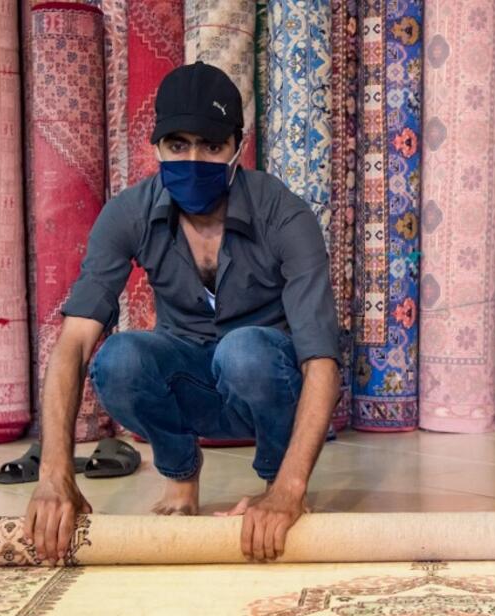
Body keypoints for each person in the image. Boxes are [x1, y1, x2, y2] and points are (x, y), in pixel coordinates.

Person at [23, 62, 339, 564]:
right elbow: (74, 344)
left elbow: (321, 361)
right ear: (157, 148)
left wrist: (289, 488)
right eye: (178, 145)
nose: (193, 160)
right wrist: (55, 475)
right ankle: (180, 477)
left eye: (211, 146)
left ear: (237, 147)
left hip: (268, 385)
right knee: (117, 359)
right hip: (191, 378)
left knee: (244, 351)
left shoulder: (284, 214)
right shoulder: (128, 214)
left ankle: (276, 483)